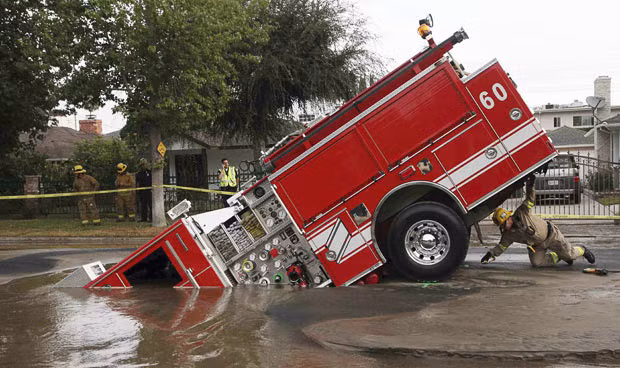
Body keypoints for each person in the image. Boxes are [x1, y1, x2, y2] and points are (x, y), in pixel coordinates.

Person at [482, 175, 595, 267]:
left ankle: (582, 249)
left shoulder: (521, 213)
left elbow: (530, 199)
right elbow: (501, 247)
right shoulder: (508, 235)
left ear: (508, 218)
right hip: (537, 246)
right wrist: (490, 254)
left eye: (504, 223)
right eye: (501, 225)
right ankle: (559, 256)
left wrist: (530, 186)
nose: (503, 227)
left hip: (551, 236)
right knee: (537, 263)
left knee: (571, 255)